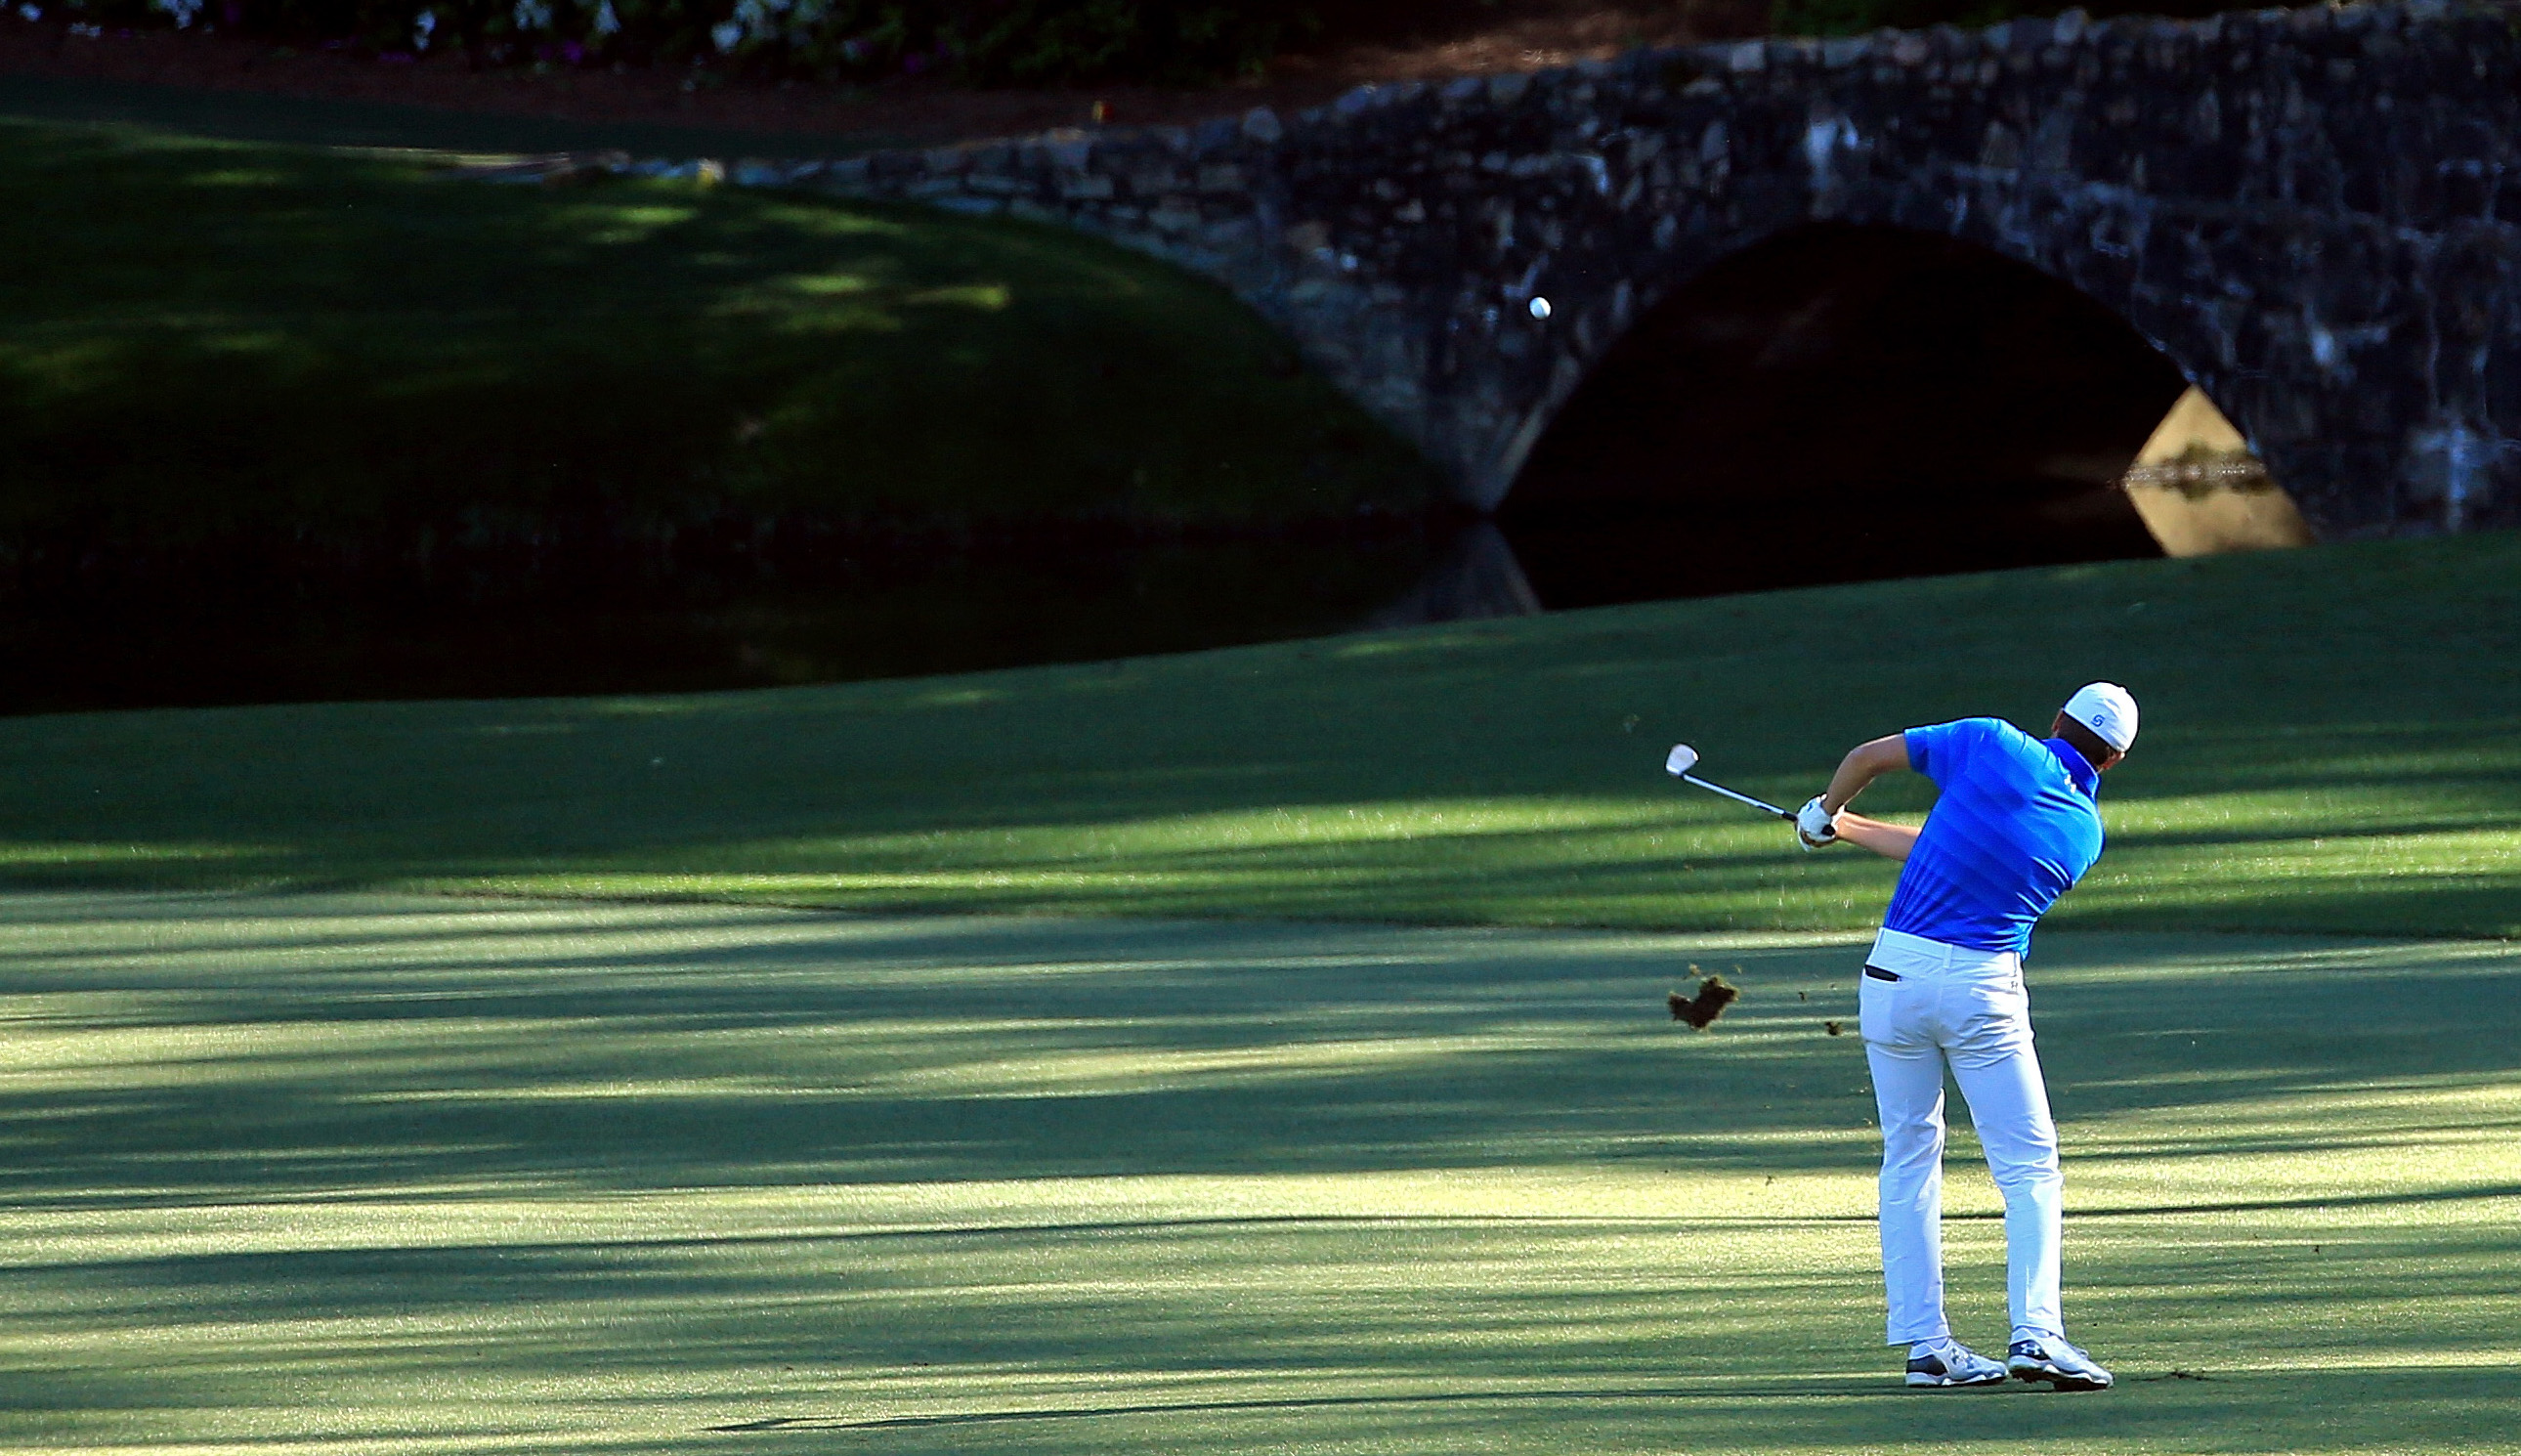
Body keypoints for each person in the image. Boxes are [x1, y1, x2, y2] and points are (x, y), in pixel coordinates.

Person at [1795, 683, 2138, 1392]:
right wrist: (1848, 828)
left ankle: (1927, 1346)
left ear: (2056, 722)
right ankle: (2037, 1333)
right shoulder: (2083, 832)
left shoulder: (1991, 741)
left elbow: (1866, 758)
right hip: (1982, 990)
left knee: (1911, 1154)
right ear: (2112, 762)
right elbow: (1957, 849)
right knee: (2028, 1166)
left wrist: (1825, 813)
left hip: (1893, 977)